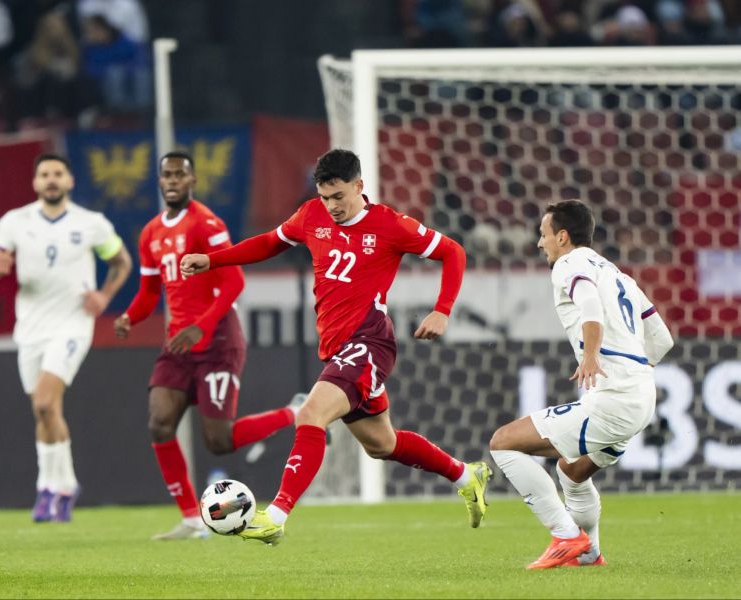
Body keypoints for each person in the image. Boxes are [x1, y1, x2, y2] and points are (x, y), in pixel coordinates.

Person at [181, 149, 491, 545]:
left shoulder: (391, 224)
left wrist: (442, 310)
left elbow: (453, 251)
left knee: (310, 413)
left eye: (339, 196)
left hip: (370, 341)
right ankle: (467, 475)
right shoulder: (311, 215)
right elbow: (270, 243)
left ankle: (275, 516)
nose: (332, 207)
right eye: (325, 197)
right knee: (383, 444)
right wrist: (213, 260)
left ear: (359, 187)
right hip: (336, 347)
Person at [114, 151, 301, 541]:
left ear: (192, 180)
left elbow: (234, 281)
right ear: (159, 179)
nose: (172, 181)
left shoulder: (207, 223)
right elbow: (150, 291)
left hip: (216, 339)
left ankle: (294, 413)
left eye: (179, 175)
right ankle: (190, 519)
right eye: (166, 175)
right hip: (179, 344)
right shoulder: (150, 233)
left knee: (218, 441)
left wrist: (201, 326)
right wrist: (131, 316)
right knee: (159, 423)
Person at [489, 200, 674, 569]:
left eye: (543, 235)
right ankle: (589, 554)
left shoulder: (569, 264)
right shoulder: (618, 274)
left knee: (503, 444)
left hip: (613, 399)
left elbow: (588, 303)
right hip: (641, 395)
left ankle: (565, 535)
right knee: (571, 472)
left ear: (562, 236)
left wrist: (592, 357)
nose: (540, 244)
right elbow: (663, 340)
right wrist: (631, 369)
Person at [0, 152, 132, 523]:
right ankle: (66, 485)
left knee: (45, 404)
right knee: (46, 411)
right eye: (44, 174)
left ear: (70, 181)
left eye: (58, 173)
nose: (51, 179)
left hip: (72, 324)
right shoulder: (15, 222)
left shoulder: (90, 223)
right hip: (30, 327)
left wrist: (105, 296)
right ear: (35, 183)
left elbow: (121, 261)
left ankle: (47, 488)